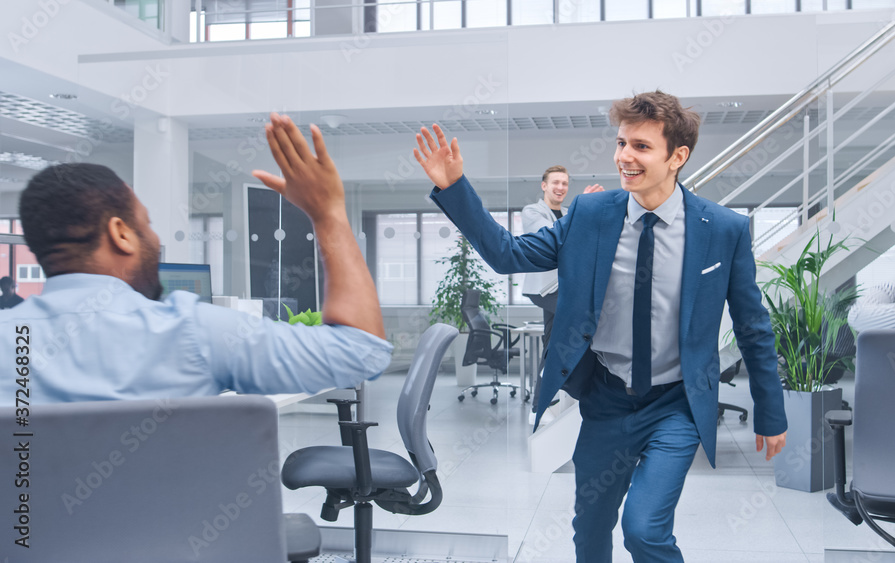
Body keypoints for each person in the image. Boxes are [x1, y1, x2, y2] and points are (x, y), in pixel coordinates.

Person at [414, 91, 787, 563]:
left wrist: (771, 413)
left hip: (675, 405)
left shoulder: (724, 229)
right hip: (606, 401)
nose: (624, 157)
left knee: (644, 530)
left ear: (678, 157)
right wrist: (455, 188)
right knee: (590, 532)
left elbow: (754, 326)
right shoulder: (591, 215)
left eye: (641, 147)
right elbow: (508, 254)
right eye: (620, 143)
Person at [0, 113, 391, 403]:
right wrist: (329, 215)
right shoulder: (195, 333)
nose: (154, 236)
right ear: (121, 234)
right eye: (147, 224)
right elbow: (363, 353)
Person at [521, 165, 602, 362]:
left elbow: (583, 243)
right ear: (544, 186)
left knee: (551, 344)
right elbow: (553, 236)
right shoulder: (532, 211)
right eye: (555, 182)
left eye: (564, 183)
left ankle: (542, 392)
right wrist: (580, 208)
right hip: (544, 289)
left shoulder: (568, 213)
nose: (561, 187)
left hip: (565, 286)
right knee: (585, 318)